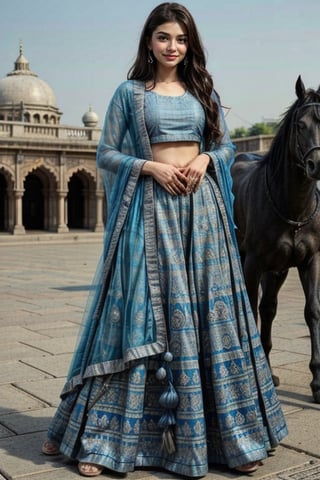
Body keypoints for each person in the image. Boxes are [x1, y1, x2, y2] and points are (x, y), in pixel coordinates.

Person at [42, 2, 287, 477]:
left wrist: (206, 161)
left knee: (210, 317)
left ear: (190, 44)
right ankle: (105, 439)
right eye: (163, 38)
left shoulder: (203, 92)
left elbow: (225, 146)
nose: (172, 47)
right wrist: (149, 166)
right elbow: (107, 152)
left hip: (203, 217)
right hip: (148, 215)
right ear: (148, 42)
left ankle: (232, 437)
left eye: (180, 39)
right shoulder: (129, 93)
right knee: (135, 314)